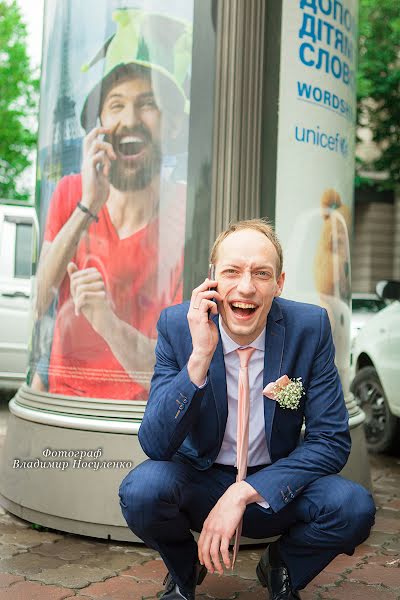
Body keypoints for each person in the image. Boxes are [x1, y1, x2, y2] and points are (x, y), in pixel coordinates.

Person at [119, 219, 376, 600]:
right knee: (142, 491)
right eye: (232, 272)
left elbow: (331, 440)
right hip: (201, 481)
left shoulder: (310, 327)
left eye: (261, 273)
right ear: (212, 281)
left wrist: (244, 492)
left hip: (275, 487)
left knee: (353, 507)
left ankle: (281, 564)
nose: (245, 287)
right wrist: (200, 357)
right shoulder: (177, 326)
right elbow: (155, 444)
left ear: (279, 283)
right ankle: (184, 567)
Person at [32, 9, 191, 400]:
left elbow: (174, 369)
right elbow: (39, 300)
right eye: (116, 105)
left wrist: (106, 320)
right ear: (99, 125)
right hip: (66, 403)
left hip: (141, 416)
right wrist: (89, 204)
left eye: (147, 104)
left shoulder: (186, 209)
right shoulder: (71, 193)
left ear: (170, 124)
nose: (130, 119)